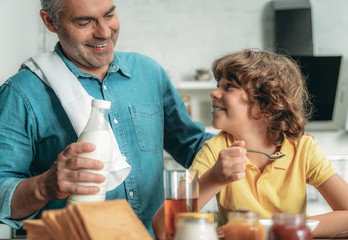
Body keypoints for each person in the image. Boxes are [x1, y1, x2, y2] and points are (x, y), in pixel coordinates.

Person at [0, 0, 213, 237]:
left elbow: (193, 146)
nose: (103, 32)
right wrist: (45, 186)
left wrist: (249, 133)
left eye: (109, 15)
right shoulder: (22, 93)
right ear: (50, 22)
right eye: (84, 21)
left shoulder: (149, 73)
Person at [152, 49, 348, 239]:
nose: (214, 93)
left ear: (266, 104)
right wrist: (214, 178)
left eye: (229, 86)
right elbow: (162, 229)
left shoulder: (303, 149)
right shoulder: (216, 151)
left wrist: (271, 227)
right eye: (218, 85)